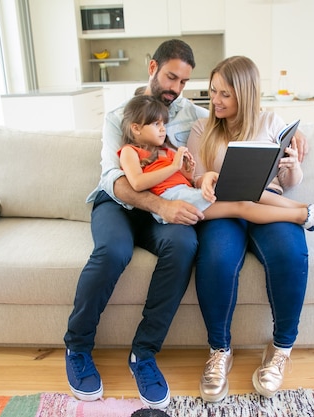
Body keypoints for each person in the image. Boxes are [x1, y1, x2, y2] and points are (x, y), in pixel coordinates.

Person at [186, 55, 314, 402]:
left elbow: (288, 183)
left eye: (225, 94)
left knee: (291, 254)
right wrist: (205, 178)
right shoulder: (202, 128)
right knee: (215, 260)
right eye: (213, 91)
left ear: (245, 94)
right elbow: (195, 175)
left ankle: (281, 350)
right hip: (224, 209)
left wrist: (291, 165)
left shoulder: (272, 121)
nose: (215, 100)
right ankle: (219, 352)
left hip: (268, 201)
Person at [63, 39, 209, 410]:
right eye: (171, 77)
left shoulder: (192, 113)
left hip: (160, 212)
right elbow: (116, 180)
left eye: (183, 82)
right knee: (113, 250)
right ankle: (77, 346)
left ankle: (143, 354)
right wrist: (162, 204)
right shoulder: (118, 117)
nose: (175, 88)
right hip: (118, 203)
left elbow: (238, 116)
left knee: (184, 245)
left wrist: (289, 130)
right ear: (152, 68)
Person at [118, 94, 314, 229]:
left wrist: (188, 170)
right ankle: (302, 216)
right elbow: (137, 183)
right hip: (177, 203)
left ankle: (307, 208)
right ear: (136, 128)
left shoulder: (165, 150)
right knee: (241, 206)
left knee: (248, 192)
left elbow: (186, 180)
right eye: (156, 124)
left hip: (187, 193)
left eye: (163, 124)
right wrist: (174, 166)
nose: (162, 129)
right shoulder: (130, 151)